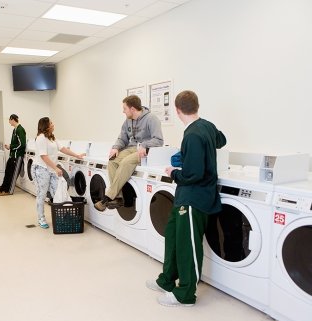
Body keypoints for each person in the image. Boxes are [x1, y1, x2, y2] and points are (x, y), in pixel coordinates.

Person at [145, 90, 227, 307]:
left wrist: (173, 172)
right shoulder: (206, 126)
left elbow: (193, 174)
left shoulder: (191, 135)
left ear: (177, 109)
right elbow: (222, 140)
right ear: (196, 106)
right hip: (185, 198)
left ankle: (186, 294)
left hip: (194, 199)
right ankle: (166, 281)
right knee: (173, 237)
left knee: (188, 246)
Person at [94, 95, 164, 211]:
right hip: (131, 148)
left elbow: (159, 140)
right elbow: (122, 138)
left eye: (124, 108)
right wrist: (116, 148)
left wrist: (144, 145)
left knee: (126, 162)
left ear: (132, 109)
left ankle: (108, 197)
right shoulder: (127, 121)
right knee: (112, 161)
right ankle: (118, 197)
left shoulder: (151, 119)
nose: (123, 111)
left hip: (145, 151)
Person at [32, 117, 85, 229]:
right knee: (41, 194)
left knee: (58, 192)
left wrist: (77, 155)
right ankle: (41, 218)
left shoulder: (52, 138)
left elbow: (63, 149)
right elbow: (43, 156)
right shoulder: (41, 138)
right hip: (41, 169)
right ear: (46, 125)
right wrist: (56, 168)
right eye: (51, 123)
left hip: (51, 169)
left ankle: (63, 217)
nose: (53, 124)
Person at [0, 114, 26, 196]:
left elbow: (22, 144)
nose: (9, 122)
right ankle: (2, 189)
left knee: (12, 174)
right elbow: (17, 143)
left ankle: (8, 191)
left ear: (12, 119)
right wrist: (10, 146)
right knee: (7, 172)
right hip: (12, 155)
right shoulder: (15, 130)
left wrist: (11, 146)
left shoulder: (20, 130)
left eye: (9, 120)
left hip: (17, 156)